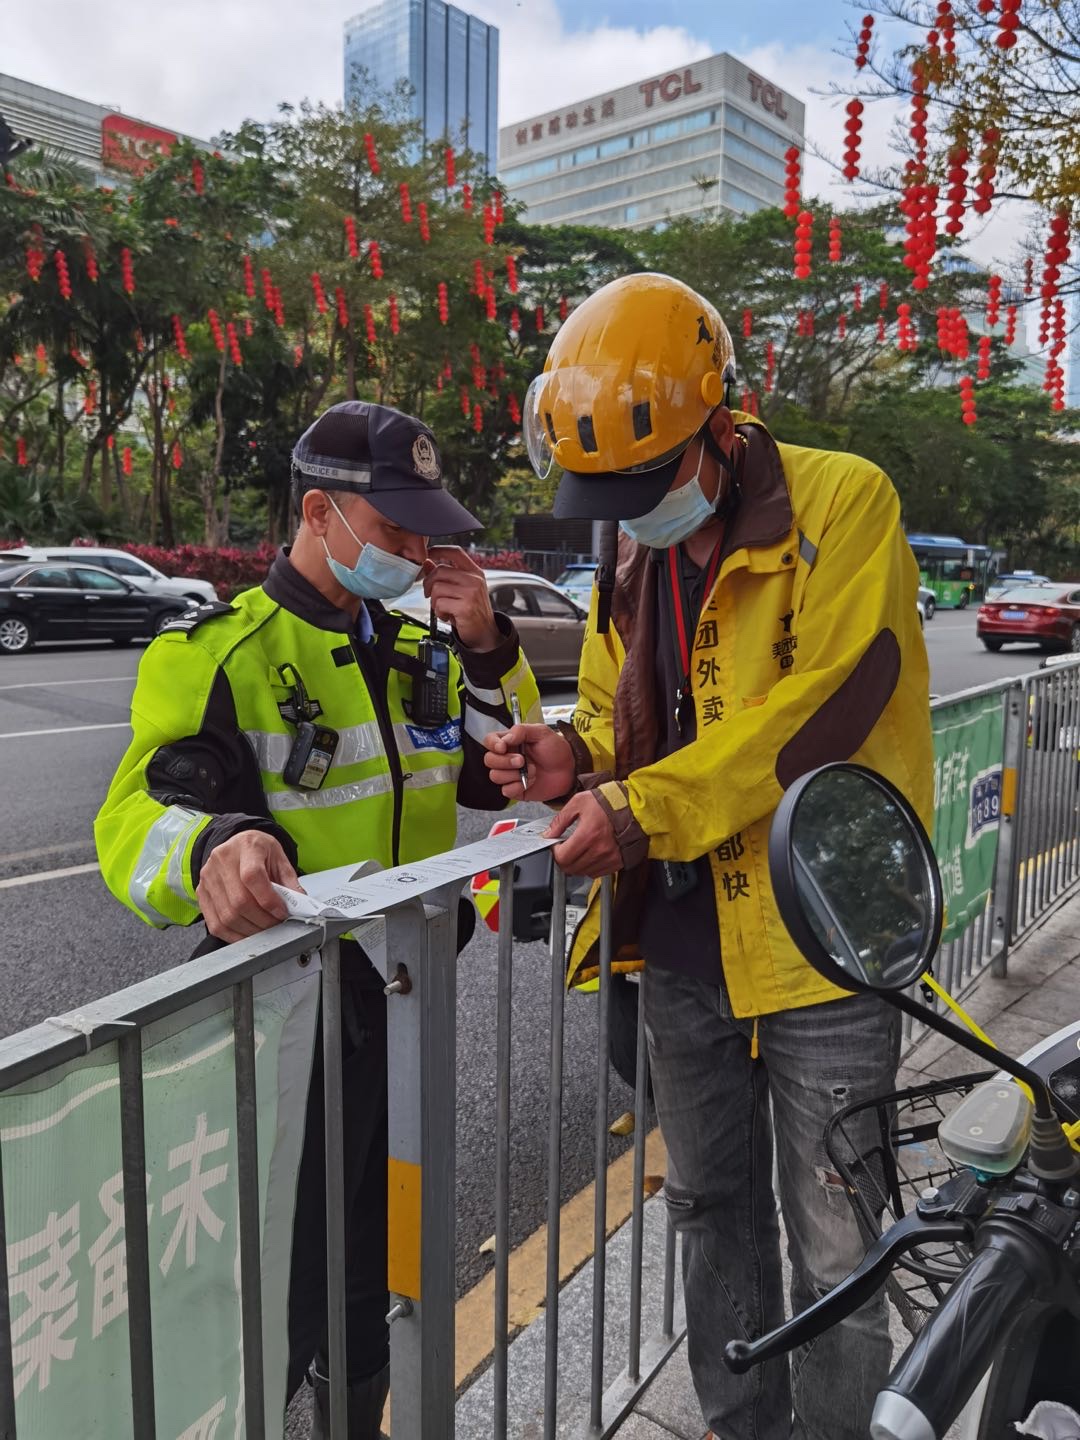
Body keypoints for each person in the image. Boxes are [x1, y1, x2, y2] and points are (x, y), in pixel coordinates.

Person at [483, 274, 933, 1440]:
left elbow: (815, 719)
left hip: (820, 933)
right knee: (706, 1206)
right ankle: (746, 1428)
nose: (628, 512)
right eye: (607, 495)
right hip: (680, 939)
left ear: (721, 424)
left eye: (646, 482)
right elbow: (610, 714)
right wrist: (566, 755)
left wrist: (636, 810)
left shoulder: (846, 507)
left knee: (835, 1231)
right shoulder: (629, 559)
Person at [96, 400, 541, 1438]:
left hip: (402, 1004)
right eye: (396, 534)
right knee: (266, 1275)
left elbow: (497, 769)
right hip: (278, 1026)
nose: (419, 553)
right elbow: (133, 819)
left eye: (428, 535)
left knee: (376, 1265)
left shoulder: (417, 647)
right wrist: (214, 846)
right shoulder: (224, 652)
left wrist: (483, 643)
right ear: (318, 515)